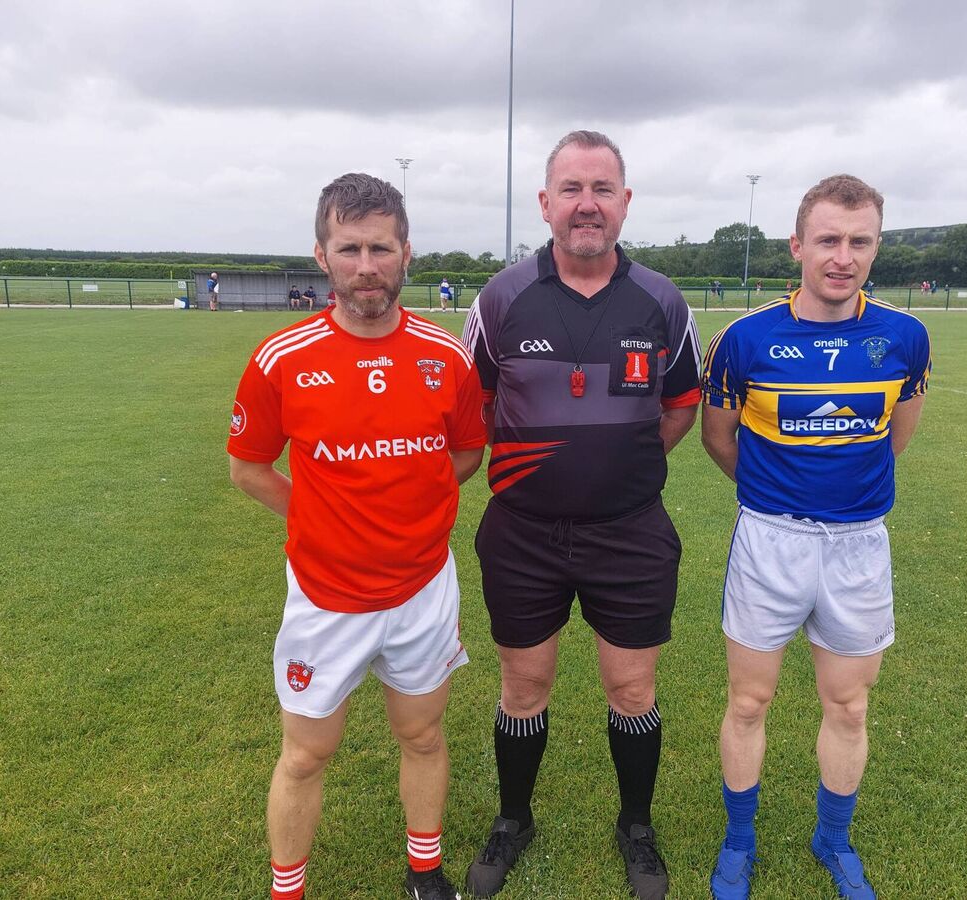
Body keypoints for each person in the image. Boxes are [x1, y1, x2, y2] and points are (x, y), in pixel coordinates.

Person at [227, 172, 486, 900]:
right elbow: (248, 469)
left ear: (407, 253)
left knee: (424, 735)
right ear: (322, 256)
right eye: (349, 249)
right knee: (307, 754)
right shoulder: (283, 359)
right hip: (325, 594)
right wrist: (321, 514)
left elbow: (465, 454)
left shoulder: (447, 356)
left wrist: (409, 507)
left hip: (421, 588)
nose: (366, 265)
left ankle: (425, 870)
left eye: (380, 247)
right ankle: (288, 888)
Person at [460, 130, 701, 900]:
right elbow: (480, 404)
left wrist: (615, 473)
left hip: (630, 532)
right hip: (523, 533)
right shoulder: (500, 298)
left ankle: (636, 827)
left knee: (632, 689)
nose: (586, 204)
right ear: (546, 203)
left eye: (602, 189)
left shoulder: (661, 300)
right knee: (522, 686)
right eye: (571, 189)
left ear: (625, 202)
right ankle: (513, 819)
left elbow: (680, 404)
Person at [701, 174, 931, 900]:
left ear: (875, 249)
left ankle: (832, 838)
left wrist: (839, 490)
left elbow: (894, 439)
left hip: (859, 543)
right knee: (748, 702)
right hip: (770, 540)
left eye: (859, 241)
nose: (843, 256)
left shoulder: (904, 336)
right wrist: (782, 493)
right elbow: (719, 440)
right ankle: (740, 841)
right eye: (828, 239)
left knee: (850, 705)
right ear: (798, 245)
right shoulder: (745, 339)